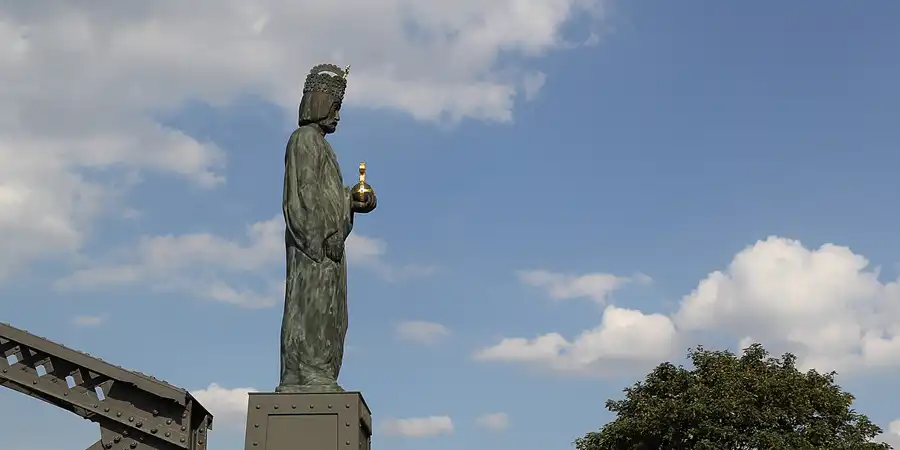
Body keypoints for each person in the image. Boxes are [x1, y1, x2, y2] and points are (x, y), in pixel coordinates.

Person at [277, 64, 377, 393]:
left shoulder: (321, 145)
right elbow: (303, 198)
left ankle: (319, 372)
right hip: (315, 249)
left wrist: (352, 200)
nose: (337, 116)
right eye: (335, 108)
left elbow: (326, 196)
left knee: (331, 317)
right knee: (313, 311)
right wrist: (323, 236)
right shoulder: (304, 140)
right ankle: (306, 373)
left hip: (328, 248)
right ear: (320, 104)